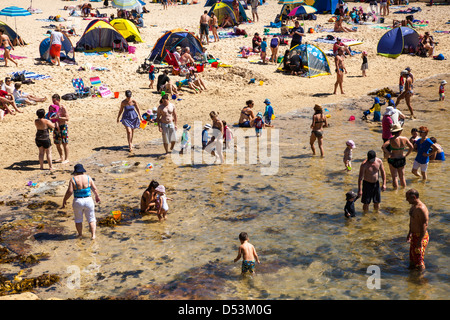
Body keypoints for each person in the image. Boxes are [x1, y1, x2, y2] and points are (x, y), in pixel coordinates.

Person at [61, 164, 101, 240]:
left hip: (78, 201)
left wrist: (64, 199)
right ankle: (93, 236)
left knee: (78, 219)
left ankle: (80, 235)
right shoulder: (88, 178)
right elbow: (94, 188)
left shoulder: (73, 179)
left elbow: (70, 191)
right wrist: (97, 196)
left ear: (75, 172)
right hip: (88, 200)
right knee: (91, 219)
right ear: (83, 171)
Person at [382, 124, 414, 189]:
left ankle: (395, 192)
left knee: (394, 177)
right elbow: (411, 147)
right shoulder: (405, 139)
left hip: (393, 159)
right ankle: (403, 191)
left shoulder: (391, 139)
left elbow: (383, 147)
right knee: (402, 177)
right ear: (400, 131)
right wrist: (406, 155)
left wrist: (389, 153)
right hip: (402, 158)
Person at [405, 189, 429, 272]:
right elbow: (412, 221)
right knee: (412, 259)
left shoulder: (421, 209)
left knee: (419, 261)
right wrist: (409, 233)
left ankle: (421, 280)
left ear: (414, 197)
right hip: (414, 235)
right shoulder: (413, 206)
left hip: (420, 236)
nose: (406, 200)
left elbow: (424, 225)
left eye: (408, 198)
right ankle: (411, 277)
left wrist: (420, 240)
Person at [52, 94, 69, 163]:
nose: (53, 102)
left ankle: (66, 158)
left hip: (63, 126)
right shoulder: (53, 108)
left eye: (54, 101)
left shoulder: (63, 108)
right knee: (57, 143)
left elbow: (67, 118)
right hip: (56, 127)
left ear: (58, 100)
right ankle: (61, 157)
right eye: (53, 101)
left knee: (64, 143)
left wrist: (59, 118)